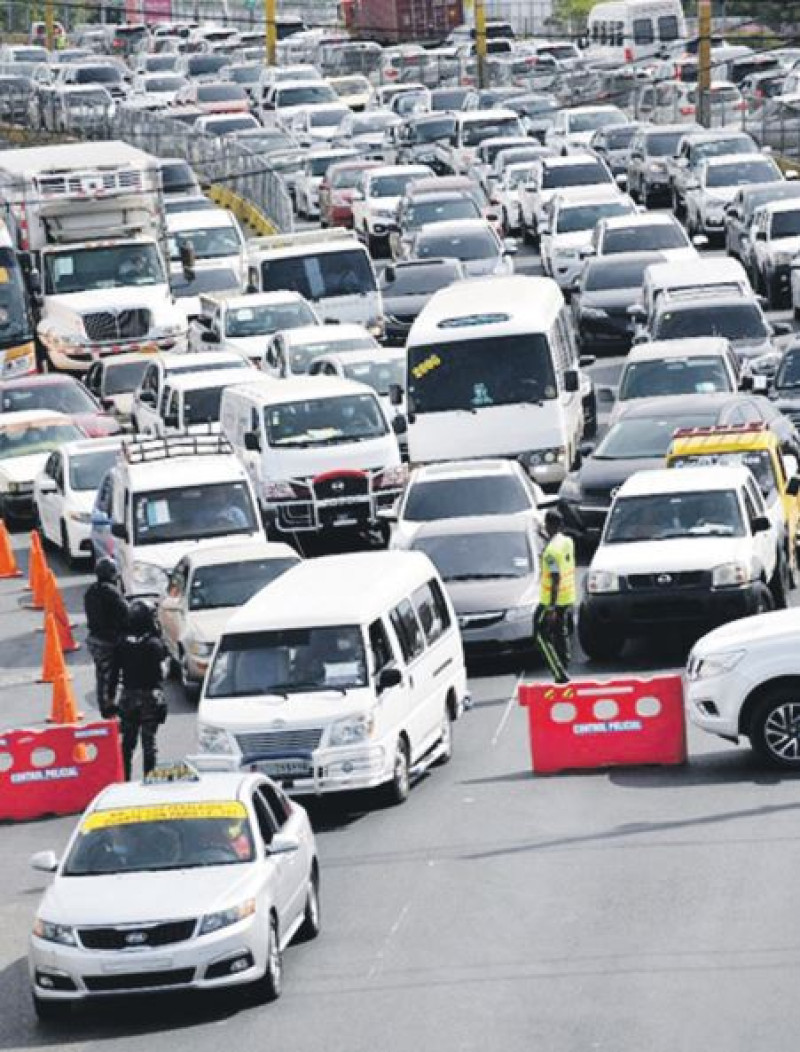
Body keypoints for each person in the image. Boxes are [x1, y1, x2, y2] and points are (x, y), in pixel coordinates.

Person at [117, 601, 168, 780]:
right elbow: (163, 670)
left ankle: (125, 778)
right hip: (149, 697)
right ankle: (149, 779)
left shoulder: (123, 643)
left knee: (127, 744)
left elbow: (116, 670)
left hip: (129, 697)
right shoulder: (154, 644)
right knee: (148, 743)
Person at [534, 509, 576, 684]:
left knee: (539, 634)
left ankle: (559, 673)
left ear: (549, 525)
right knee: (561, 634)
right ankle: (564, 666)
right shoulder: (567, 542)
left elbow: (555, 577)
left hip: (551, 601)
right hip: (568, 597)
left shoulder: (550, 552)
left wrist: (550, 606)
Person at [84, 557, 129, 718]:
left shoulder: (91, 591)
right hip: (109, 641)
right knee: (114, 676)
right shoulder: (111, 591)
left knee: (102, 675)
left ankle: (107, 706)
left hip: (95, 639)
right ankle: (109, 708)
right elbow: (125, 612)